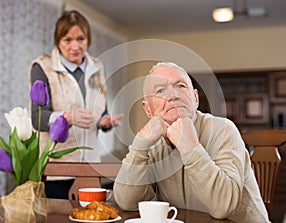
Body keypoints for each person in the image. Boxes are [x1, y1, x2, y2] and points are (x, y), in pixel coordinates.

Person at [113, 62, 270, 223]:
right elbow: (128, 202)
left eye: (180, 86)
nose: (173, 95)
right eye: (160, 90)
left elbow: (223, 207)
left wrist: (190, 146)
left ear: (195, 98)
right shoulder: (152, 143)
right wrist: (140, 145)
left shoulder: (223, 130)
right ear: (148, 110)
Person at [28, 10, 123, 199]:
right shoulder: (42, 67)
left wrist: (104, 122)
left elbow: (100, 110)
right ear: (58, 41)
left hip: (89, 168)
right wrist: (67, 118)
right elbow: (37, 119)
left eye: (81, 39)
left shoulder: (97, 66)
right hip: (57, 170)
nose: (75, 46)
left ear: (88, 39)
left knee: (91, 216)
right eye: (67, 39)